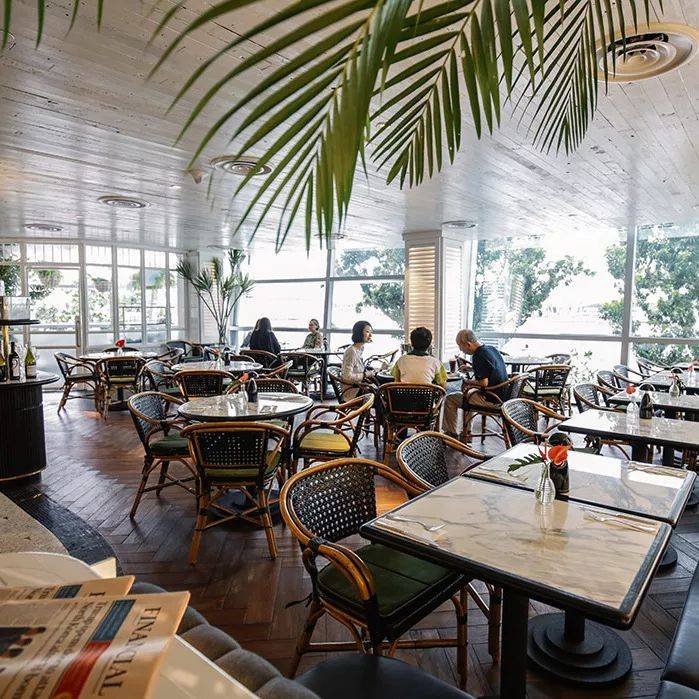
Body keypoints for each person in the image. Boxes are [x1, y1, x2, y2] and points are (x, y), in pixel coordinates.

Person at [442, 329, 508, 438]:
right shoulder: (490, 349)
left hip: (491, 399)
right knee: (469, 394)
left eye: (460, 346)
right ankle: (467, 433)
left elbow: (484, 383)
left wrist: (467, 382)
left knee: (451, 398)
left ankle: (451, 434)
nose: (461, 350)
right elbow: (490, 368)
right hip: (503, 396)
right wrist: (472, 368)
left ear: (468, 344)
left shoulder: (478, 355)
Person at [341, 320, 374, 397]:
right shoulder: (351, 351)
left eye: (371, 332)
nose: (370, 335)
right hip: (354, 391)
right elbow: (347, 377)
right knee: (382, 391)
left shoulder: (359, 349)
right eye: (367, 332)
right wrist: (365, 375)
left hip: (360, 386)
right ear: (359, 333)